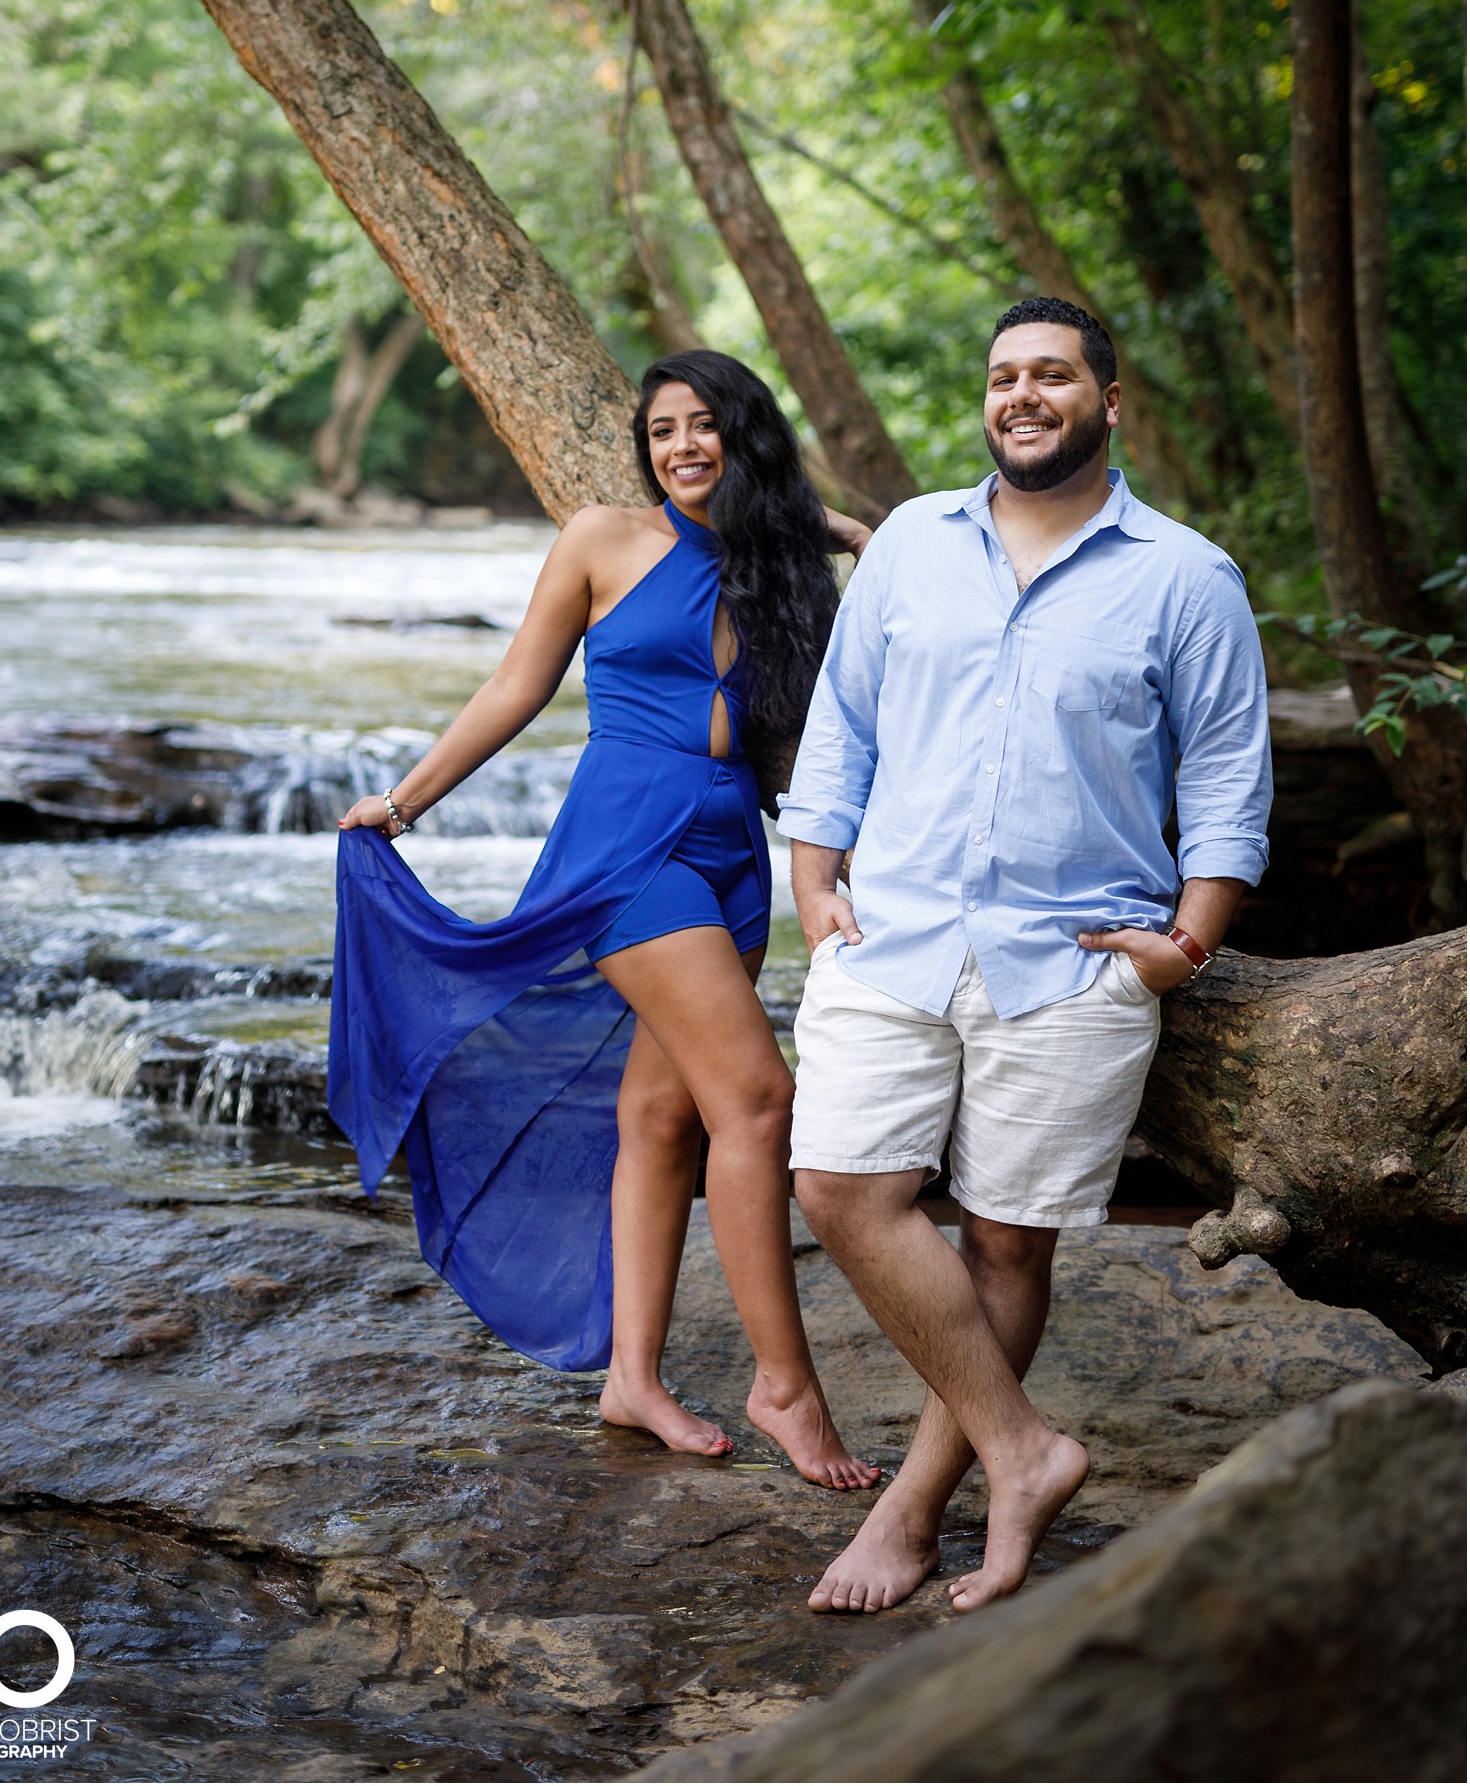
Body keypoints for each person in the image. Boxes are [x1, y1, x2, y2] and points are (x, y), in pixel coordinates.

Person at [779, 296, 1271, 1610]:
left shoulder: (1186, 576)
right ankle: (1024, 1448)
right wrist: (810, 877)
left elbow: (1227, 770)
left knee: (1010, 1245)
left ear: (1109, 402)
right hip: (889, 934)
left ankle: (919, 1506)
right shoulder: (908, 551)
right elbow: (844, 723)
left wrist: (1186, 942)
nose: (1024, 393)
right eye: (1004, 375)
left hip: (1074, 959)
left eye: (1053, 374)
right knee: (838, 1187)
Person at [330, 350, 880, 1489]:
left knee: (660, 1119)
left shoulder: (770, 562)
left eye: (705, 426)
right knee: (760, 1100)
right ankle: (784, 1384)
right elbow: (513, 688)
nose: (682, 447)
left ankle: (632, 1379)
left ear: (747, 436)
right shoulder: (600, 540)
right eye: (663, 430)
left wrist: (821, 522)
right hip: (630, 847)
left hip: (734, 848)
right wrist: (400, 803)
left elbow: (869, 551)